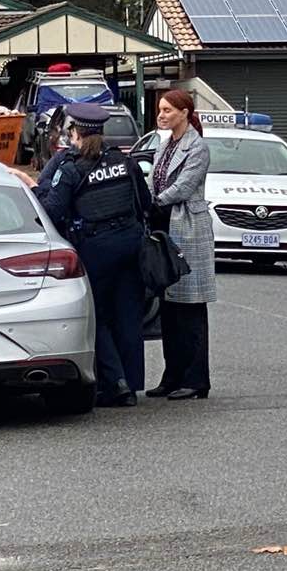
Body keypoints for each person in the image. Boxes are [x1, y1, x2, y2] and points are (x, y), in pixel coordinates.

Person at [40, 101, 153, 407]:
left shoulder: (71, 167)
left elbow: (52, 210)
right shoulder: (124, 161)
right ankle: (132, 384)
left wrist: (36, 190)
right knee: (129, 315)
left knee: (97, 316)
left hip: (97, 249)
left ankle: (115, 384)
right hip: (131, 245)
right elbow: (144, 202)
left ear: (75, 133)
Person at [145, 88, 215, 401]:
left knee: (191, 308)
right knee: (169, 308)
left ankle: (196, 379)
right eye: (160, 110)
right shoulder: (164, 144)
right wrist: (147, 200)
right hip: (164, 226)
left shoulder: (197, 147)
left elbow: (184, 186)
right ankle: (172, 376)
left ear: (184, 112)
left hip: (188, 228)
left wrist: (155, 202)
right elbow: (153, 180)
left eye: (168, 110)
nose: (161, 115)